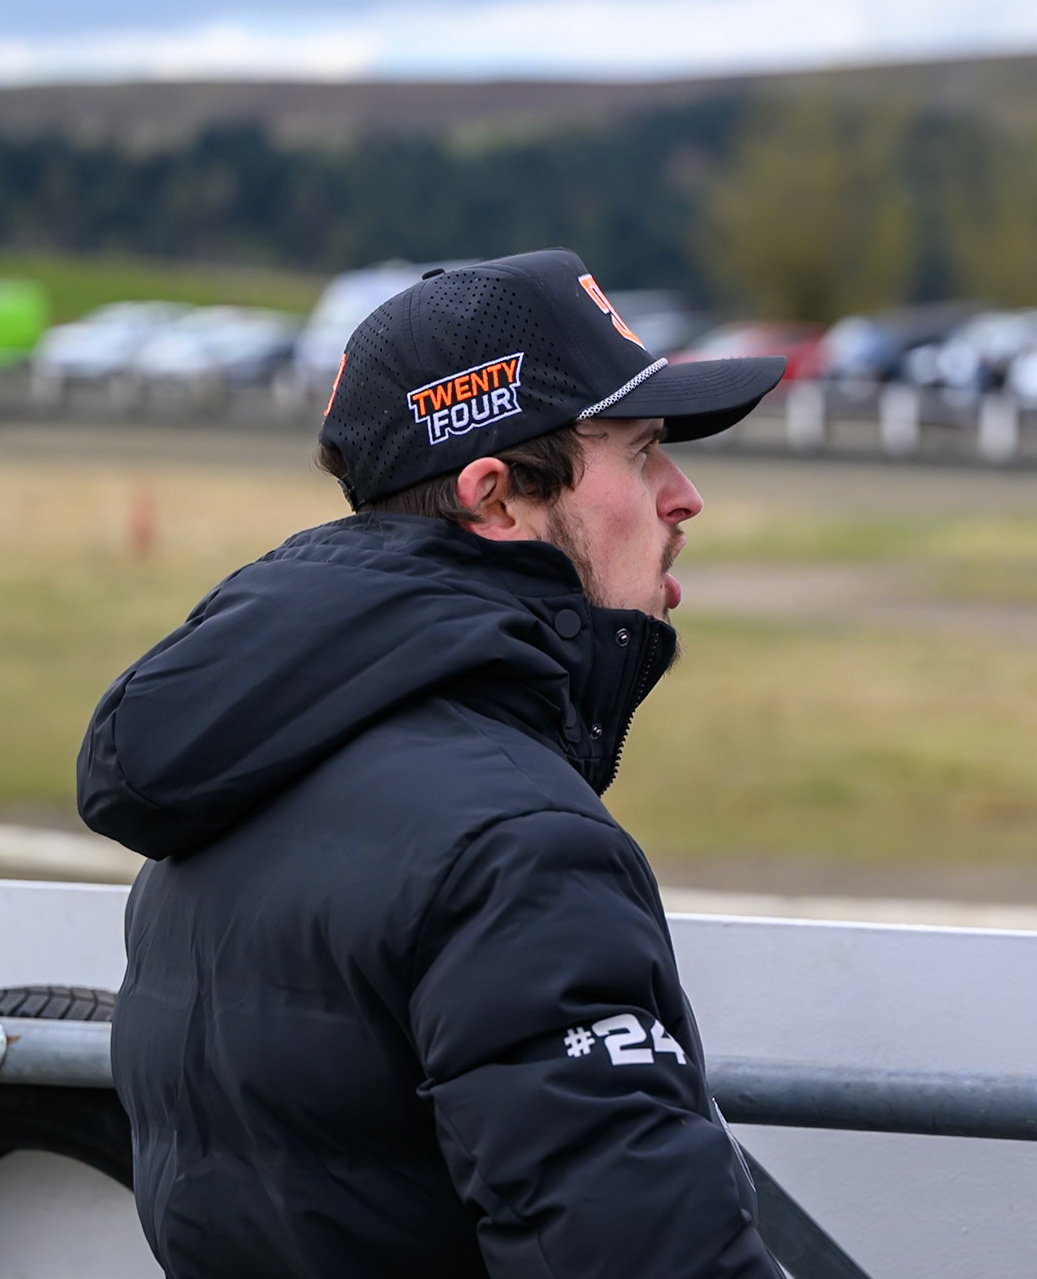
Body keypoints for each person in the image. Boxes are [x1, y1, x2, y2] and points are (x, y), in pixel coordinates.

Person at [77, 248, 789, 1278]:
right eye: (638, 454)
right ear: (496, 498)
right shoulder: (515, 849)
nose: (683, 498)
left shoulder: (231, 782)